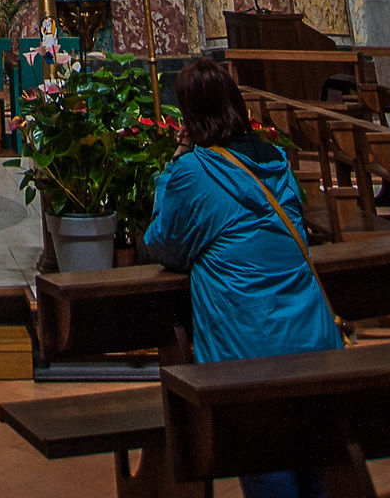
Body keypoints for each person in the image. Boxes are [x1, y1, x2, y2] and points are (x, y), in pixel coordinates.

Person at [143, 56, 340, 498]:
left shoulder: (193, 173)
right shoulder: (275, 159)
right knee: (310, 468)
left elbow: (162, 244)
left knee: (266, 463)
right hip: (309, 332)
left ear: (190, 116)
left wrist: (173, 164)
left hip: (248, 341)